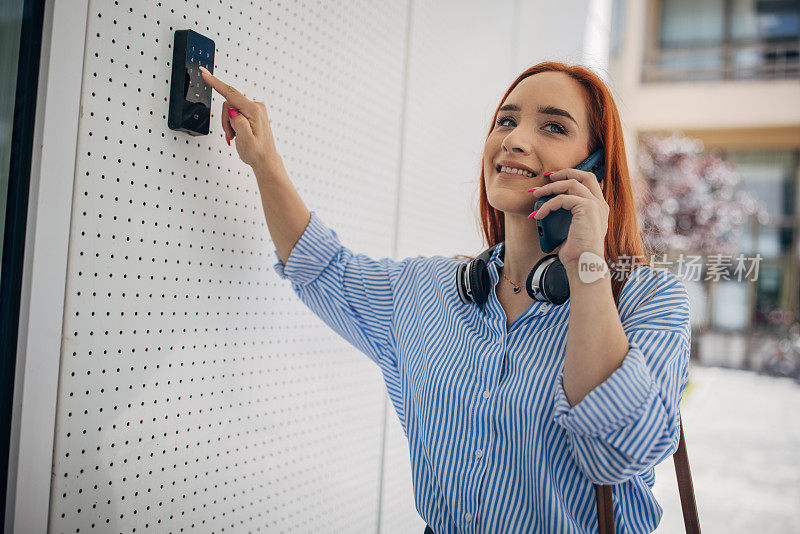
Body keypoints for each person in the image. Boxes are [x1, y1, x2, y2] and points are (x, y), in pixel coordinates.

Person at [199, 62, 692, 533]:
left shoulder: (649, 300)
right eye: (506, 120)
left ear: (596, 169)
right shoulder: (427, 292)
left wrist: (587, 268)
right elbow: (323, 267)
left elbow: (623, 450)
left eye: (554, 128)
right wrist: (264, 161)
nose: (515, 140)